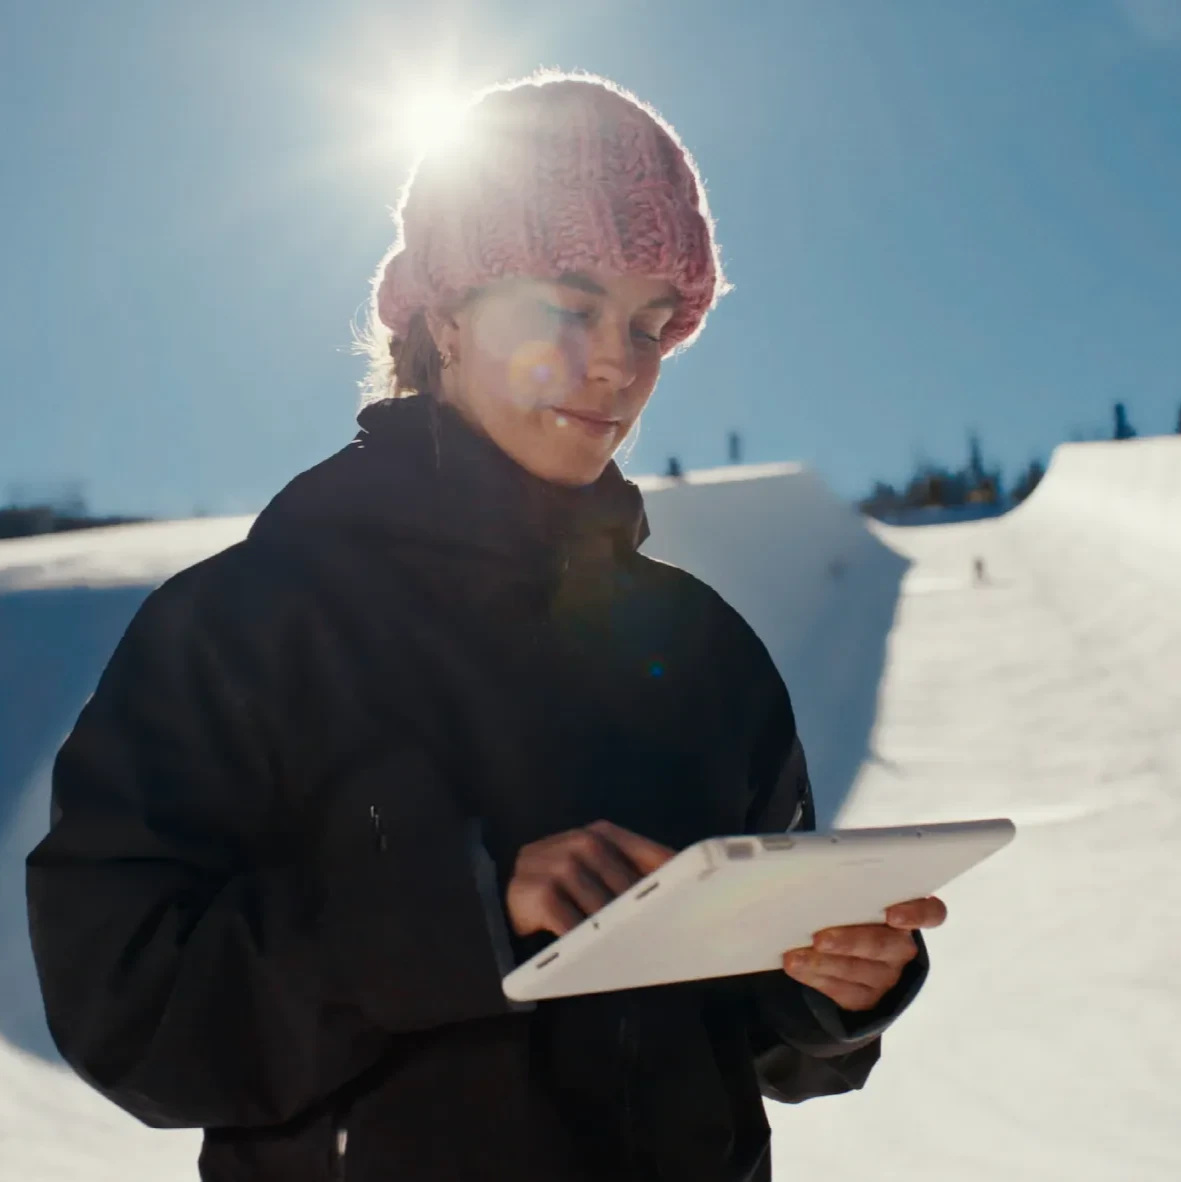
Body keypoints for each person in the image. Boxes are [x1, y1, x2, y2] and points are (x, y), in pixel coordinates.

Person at [26, 73, 946, 1182]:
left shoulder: (703, 651)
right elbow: (131, 1011)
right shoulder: (248, 624)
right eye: (570, 305)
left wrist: (828, 984)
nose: (618, 363)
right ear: (445, 317)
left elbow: (756, 1045)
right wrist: (459, 915)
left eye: (651, 325)